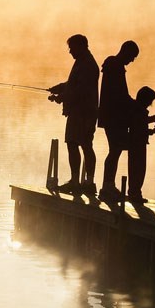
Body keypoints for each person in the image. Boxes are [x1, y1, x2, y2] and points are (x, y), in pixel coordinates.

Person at [48, 34, 99, 196]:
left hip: (83, 113)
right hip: (82, 112)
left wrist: (62, 97)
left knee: (79, 144)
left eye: (72, 47)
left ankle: (81, 182)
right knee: (79, 144)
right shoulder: (83, 62)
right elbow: (74, 85)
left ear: (81, 46)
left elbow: (81, 90)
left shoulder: (88, 64)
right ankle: (81, 181)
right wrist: (60, 87)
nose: (70, 51)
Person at [96, 40, 139, 204]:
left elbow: (120, 94)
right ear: (125, 51)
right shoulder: (116, 67)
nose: (132, 60)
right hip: (114, 117)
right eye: (132, 56)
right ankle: (107, 187)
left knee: (115, 150)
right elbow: (120, 95)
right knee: (115, 151)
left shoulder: (112, 65)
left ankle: (108, 185)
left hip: (110, 116)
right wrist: (135, 105)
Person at [126, 86, 155, 204]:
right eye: (150, 101)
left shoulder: (137, 110)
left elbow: (143, 122)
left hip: (136, 143)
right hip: (137, 144)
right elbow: (140, 128)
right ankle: (135, 193)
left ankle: (134, 193)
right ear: (146, 100)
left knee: (136, 169)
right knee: (138, 169)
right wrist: (151, 131)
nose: (150, 104)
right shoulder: (139, 111)